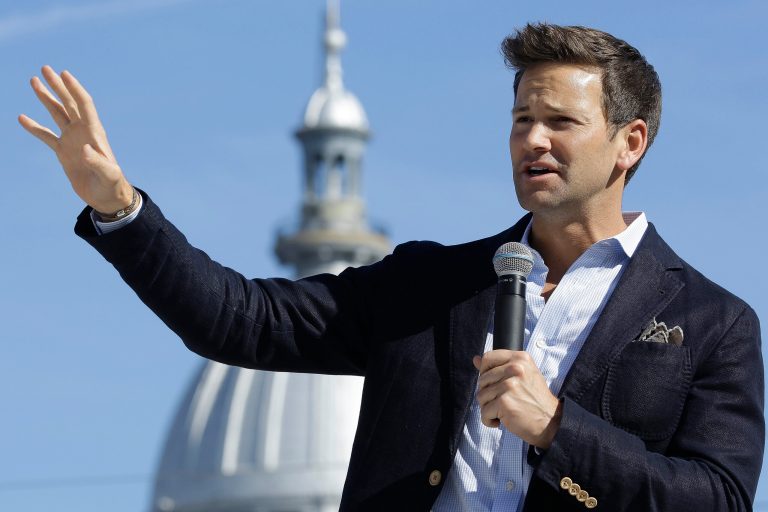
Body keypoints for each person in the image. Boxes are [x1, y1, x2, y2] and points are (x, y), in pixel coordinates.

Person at [19, 23, 763, 511]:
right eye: (520, 120)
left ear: (629, 142)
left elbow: (720, 499)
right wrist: (120, 206)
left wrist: (557, 428)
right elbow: (237, 320)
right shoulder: (431, 288)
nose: (533, 139)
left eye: (561, 121)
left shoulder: (711, 323)